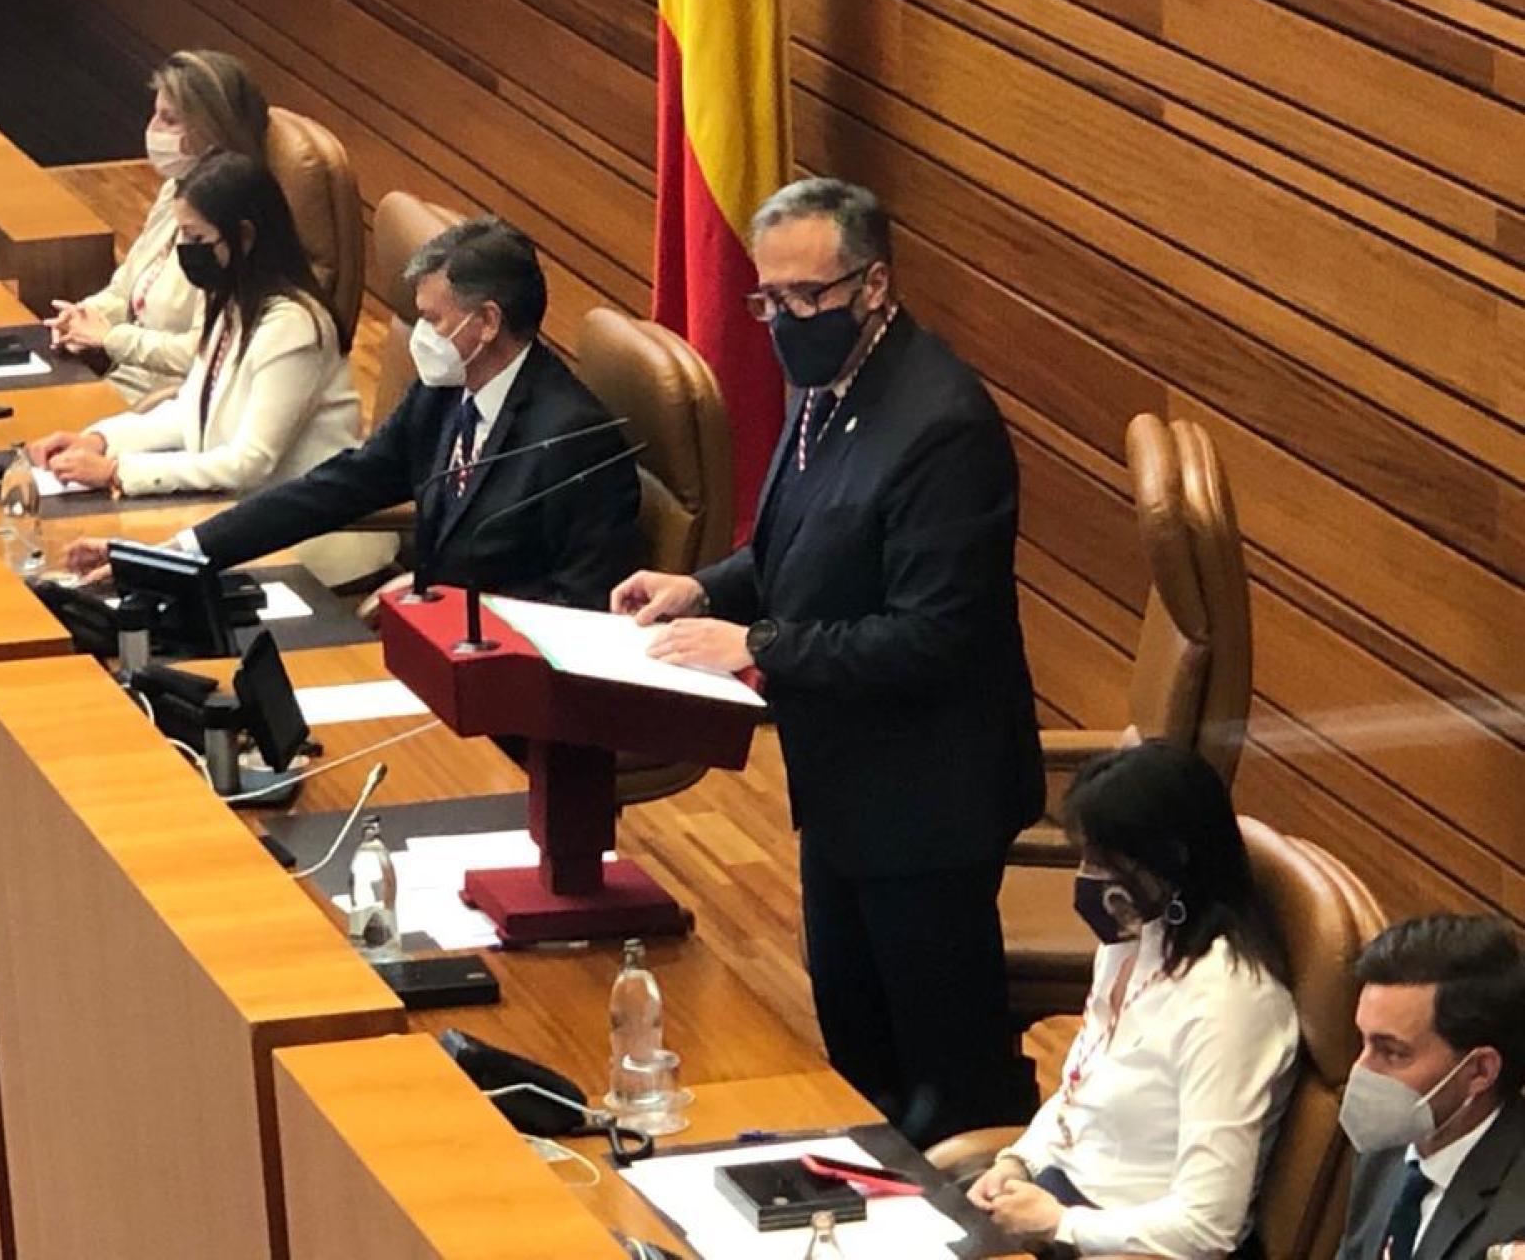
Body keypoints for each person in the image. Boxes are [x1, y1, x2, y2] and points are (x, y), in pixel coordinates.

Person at [611, 177, 1044, 1143]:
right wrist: (710, 589)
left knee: (947, 1074)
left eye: (810, 297)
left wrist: (758, 645)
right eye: (770, 299)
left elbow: (937, 636)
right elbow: (800, 544)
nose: (785, 320)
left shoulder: (941, 426)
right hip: (845, 782)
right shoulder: (827, 389)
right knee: (857, 1046)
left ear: (875, 283)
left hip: (927, 799)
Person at [65, 215, 642, 609]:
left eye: (433, 320)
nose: (421, 337)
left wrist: (441, 608)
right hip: (435, 651)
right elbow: (334, 487)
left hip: (510, 691)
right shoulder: (447, 390)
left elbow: (581, 603)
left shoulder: (571, 438)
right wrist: (174, 555)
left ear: (487, 323)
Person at [965, 742, 1300, 1257]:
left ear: (1172, 859)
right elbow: (1082, 1090)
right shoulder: (1134, 941)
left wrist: (1060, 1223)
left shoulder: (1230, 1001)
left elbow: (1208, 1226)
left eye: (1105, 860)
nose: (1089, 877)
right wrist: (1019, 1161)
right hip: (1059, 1204)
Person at [45, 49, 269, 400]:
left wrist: (111, 339)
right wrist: (84, 317)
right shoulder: (174, 193)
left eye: (169, 119)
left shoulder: (233, 230)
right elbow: (124, 292)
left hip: (168, 402)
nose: (152, 130)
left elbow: (206, 351)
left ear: (212, 130)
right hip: (119, 382)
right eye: (155, 115)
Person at [1336, 914, 1525, 1260]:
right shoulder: (1385, 1145)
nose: (1361, 1072)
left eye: (1391, 1052)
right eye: (1361, 1042)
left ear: (1479, 1071)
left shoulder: (1514, 1223)